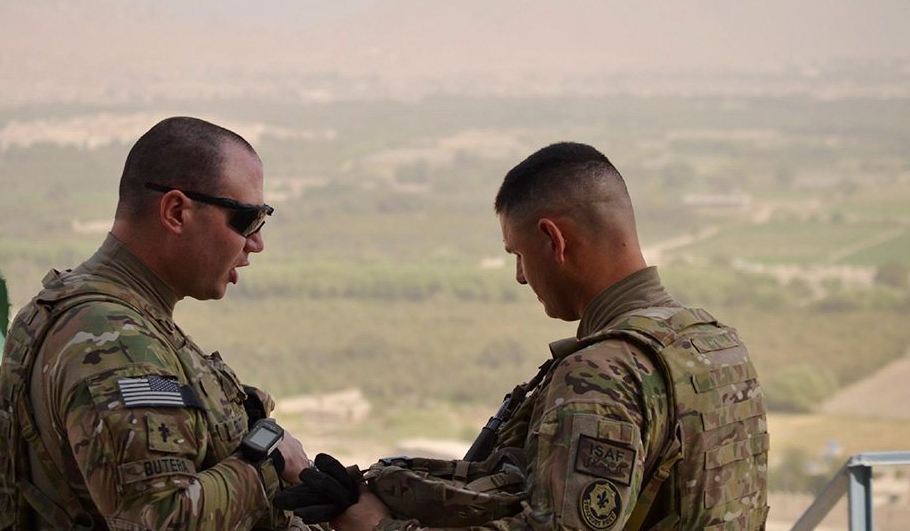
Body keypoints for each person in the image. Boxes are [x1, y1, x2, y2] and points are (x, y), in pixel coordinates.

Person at [326, 143, 769, 531]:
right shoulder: (718, 345)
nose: (521, 277)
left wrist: (379, 527)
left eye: (518, 254)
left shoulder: (601, 373)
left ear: (553, 240)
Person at [0, 117, 310, 531]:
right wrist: (271, 458)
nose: (256, 243)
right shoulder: (111, 340)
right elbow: (161, 520)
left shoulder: (91, 310)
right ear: (176, 212)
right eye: (246, 220)